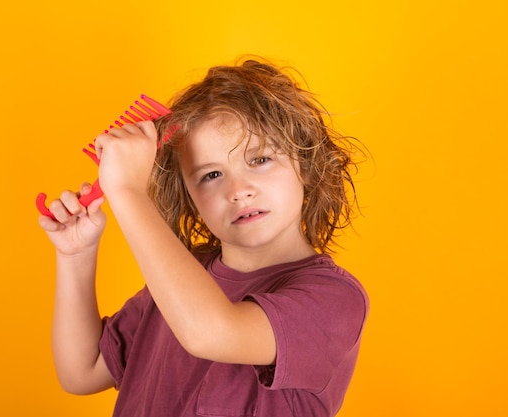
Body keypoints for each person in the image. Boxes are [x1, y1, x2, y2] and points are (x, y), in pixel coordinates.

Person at [38, 57, 369, 417]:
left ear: (304, 164)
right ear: (190, 198)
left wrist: (127, 192)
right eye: (211, 175)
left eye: (259, 160)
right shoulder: (179, 280)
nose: (239, 191)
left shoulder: (334, 300)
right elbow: (81, 372)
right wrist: (76, 255)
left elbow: (211, 333)